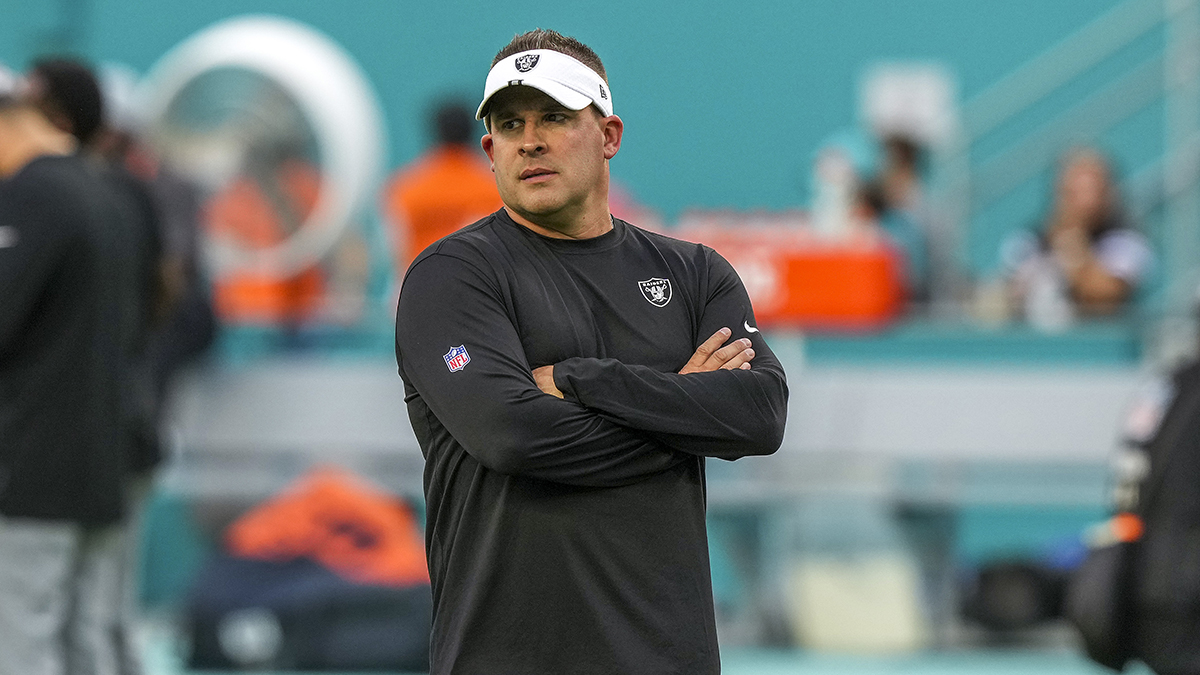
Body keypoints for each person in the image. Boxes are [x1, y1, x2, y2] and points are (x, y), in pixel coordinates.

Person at [393, 29, 789, 674]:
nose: (530, 140)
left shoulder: (694, 275)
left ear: (609, 136)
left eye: (554, 117)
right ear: (489, 150)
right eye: (510, 125)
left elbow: (761, 414)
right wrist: (685, 412)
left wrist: (586, 379)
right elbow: (515, 435)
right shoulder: (452, 277)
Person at [21, 57, 165, 675]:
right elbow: (168, 309)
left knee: (58, 626)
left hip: (62, 446)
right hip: (118, 431)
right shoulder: (124, 195)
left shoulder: (56, 197)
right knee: (97, 624)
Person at [0, 70, 134, 675]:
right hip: (101, 458)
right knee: (85, 642)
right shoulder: (107, 190)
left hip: (34, 467)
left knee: (22, 643)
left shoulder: (33, 194)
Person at [1000, 147, 1153, 325]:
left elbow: (1105, 299)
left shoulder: (1127, 241)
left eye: (1092, 190)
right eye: (1075, 191)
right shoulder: (1030, 239)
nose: (1085, 202)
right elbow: (1009, 295)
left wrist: (1074, 246)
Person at [381, 99, 501, 275]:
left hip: (419, 280)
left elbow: (396, 249)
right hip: (474, 281)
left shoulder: (405, 186)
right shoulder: (494, 186)